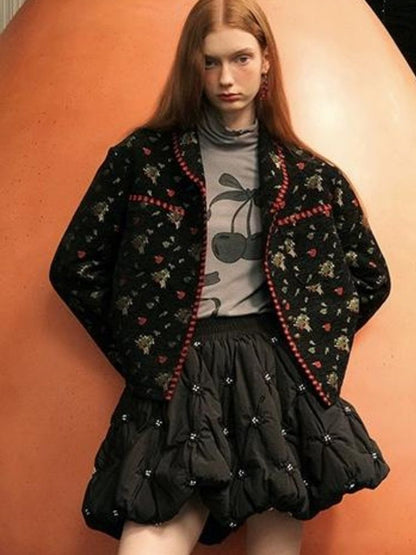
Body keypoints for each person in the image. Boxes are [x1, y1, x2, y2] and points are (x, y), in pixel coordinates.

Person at [48, 1, 392, 554]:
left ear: (266, 60)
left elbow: (369, 277)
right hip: (179, 370)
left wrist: (308, 353)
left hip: (277, 376)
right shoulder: (143, 161)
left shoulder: (310, 175)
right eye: (210, 62)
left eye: (241, 58)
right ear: (192, 65)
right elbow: (75, 266)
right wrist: (146, 349)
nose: (226, 78)